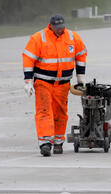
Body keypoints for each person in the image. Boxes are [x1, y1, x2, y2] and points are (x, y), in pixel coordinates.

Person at [22, 14, 87, 156]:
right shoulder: (38, 38)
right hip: (43, 82)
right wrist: (28, 82)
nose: (60, 30)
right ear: (50, 25)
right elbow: (28, 59)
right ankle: (45, 143)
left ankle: (58, 142)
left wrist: (80, 77)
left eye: (62, 27)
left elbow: (81, 54)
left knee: (61, 113)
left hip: (63, 84)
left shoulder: (72, 37)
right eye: (57, 28)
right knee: (44, 111)